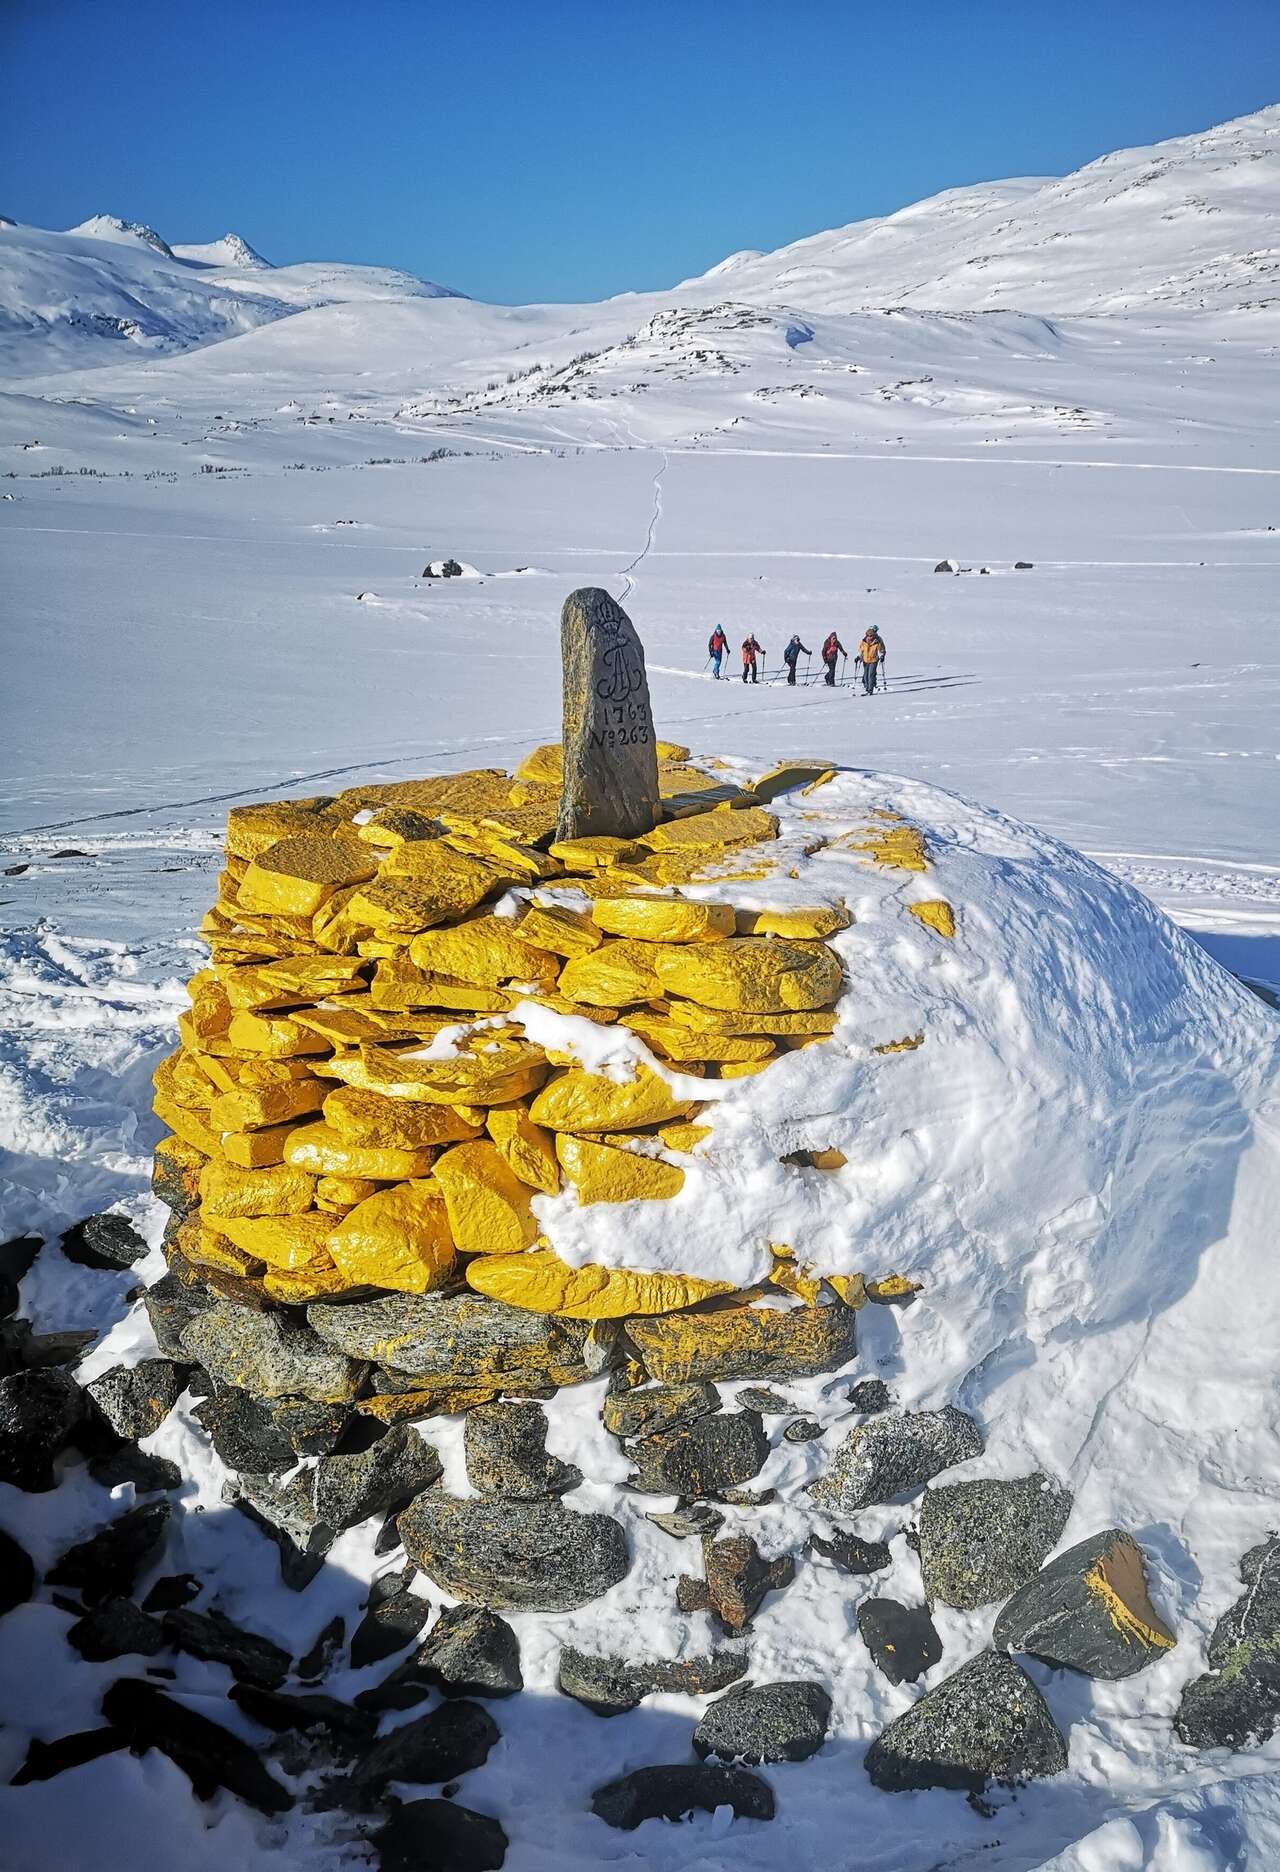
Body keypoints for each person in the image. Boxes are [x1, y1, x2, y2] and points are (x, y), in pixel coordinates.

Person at [858, 625, 885, 694]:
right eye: (868, 636)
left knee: (871, 675)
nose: (870, 637)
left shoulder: (877, 641)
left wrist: (882, 656)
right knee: (865, 675)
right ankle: (867, 688)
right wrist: (859, 657)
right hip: (865, 660)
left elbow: (881, 650)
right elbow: (861, 650)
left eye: (871, 636)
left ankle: (870, 689)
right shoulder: (863, 642)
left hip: (873, 660)